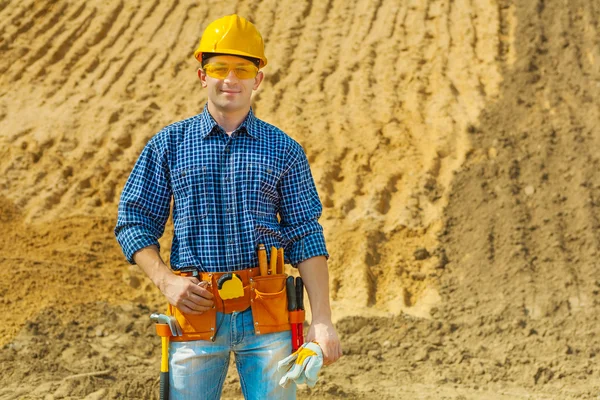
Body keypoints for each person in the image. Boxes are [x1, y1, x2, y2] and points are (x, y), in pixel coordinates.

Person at [115, 14, 342, 400]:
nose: (230, 80)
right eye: (219, 68)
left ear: (258, 78)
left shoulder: (283, 149)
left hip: (269, 317)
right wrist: (167, 281)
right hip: (195, 314)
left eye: (243, 69)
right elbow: (133, 221)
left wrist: (322, 322)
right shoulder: (168, 145)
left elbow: (305, 233)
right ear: (202, 75)